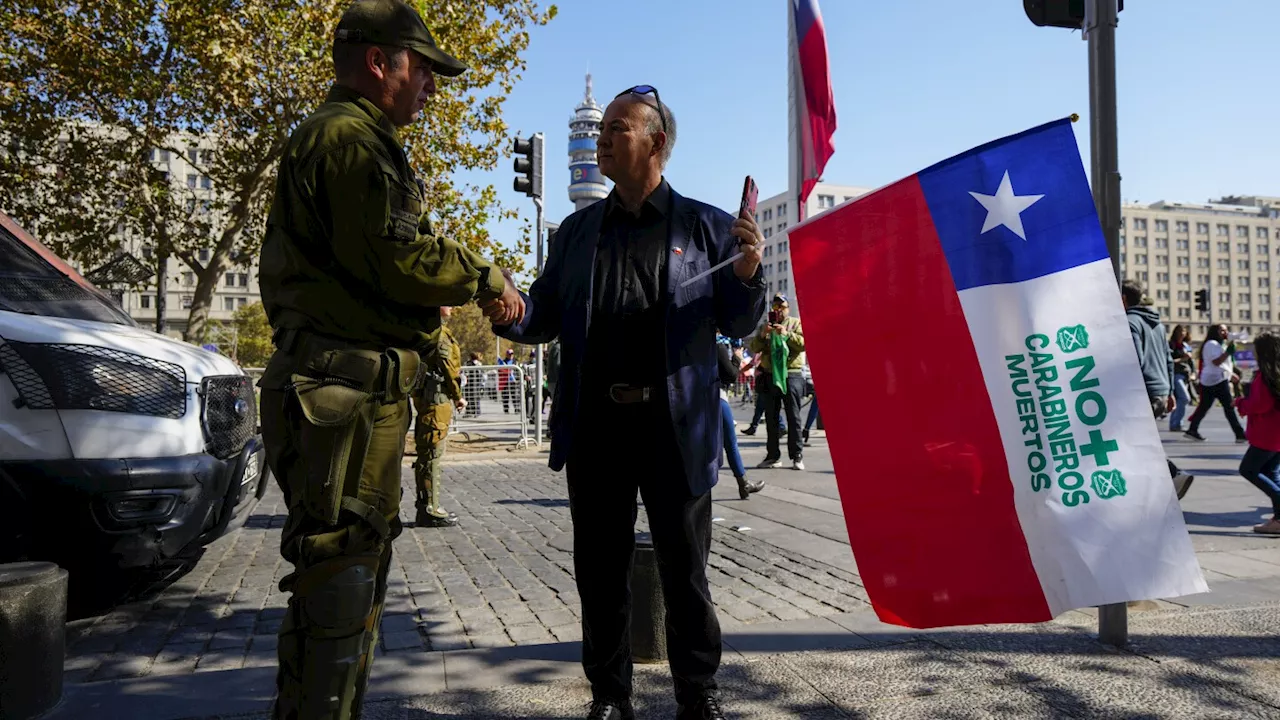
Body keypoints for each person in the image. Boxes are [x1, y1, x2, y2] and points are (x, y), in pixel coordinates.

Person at [255, 1, 524, 716]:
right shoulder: (349, 139)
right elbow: (397, 254)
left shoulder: (347, 136)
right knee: (339, 589)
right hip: (340, 396)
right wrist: (488, 278)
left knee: (345, 584)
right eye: (424, 68)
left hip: (344, 394)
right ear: (380, 62)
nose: (432, 85)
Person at [493, 85, 766, 720]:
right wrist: (510, 310)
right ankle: (610, 696)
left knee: (685, 573)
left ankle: (698, 695)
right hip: (597, 425)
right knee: (600, 572)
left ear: (656, 143)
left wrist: (749, 274)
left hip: (676, 425)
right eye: (601, 129)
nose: (601, 138)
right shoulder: (577, 231)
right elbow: (544, 314)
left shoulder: (707, 228)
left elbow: (738, 320)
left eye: (617, 128)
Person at [1121, 281, 1194, 498]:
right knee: (1138, 440)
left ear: (1123, 298)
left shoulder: (1130, 322)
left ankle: (1172, 474)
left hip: (1144, 391)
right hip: (1160, 390)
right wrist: (1169, 391)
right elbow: (1168, 360)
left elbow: (1135, 361)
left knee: (1132, 440)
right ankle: (1157, 483)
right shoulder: (1157, 324)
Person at [410, 306, 465, 528]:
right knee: (432, 455)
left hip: (430, 399)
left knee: (429, 453)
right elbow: (448, 367)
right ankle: (429, 509)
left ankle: (428, 506)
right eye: (446, 301)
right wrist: (458, 395)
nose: (451, 306)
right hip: (436, 400)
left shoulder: (426, 331)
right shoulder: (439, 334)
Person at [749, 294, 806, 471]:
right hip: (770, 374)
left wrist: (787, 334)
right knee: (771, 417)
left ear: (788, 308)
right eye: (775, 307)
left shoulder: (795, 323)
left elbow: (804, 344)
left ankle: (796, 455)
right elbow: (754, 348)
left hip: (791, 374)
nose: (778, 310)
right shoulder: (765, 326)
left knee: (793, 416)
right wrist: (763, 334)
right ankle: (773, 455)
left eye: (781, 307)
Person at [1234, 332, 1280, 535]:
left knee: (1248, 469)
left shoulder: (1265, 376)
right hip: (1277, 434)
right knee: (1271, 472)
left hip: (1268, 434)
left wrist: (1241, 403)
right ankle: (1278, 519)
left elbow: (1260, 404)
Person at [1184, 323, 1247, 443]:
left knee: (1204, 407)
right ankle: (1239, 434)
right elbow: (1216, 362)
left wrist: (1230, 372)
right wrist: (1228, 352)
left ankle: (1192, 430)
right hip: (1215, 380)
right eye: (1222, 330)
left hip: (1214, 380)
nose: (1226, 333)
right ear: (1215, 332)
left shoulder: (1217, 344)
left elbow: (1223, 363)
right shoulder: (1211, 344)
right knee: (1229, 407)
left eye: (1226, 330)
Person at [718, 337, 763, 499]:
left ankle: (743, 483)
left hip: (695, 400)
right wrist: (737, 357)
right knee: (730, 443)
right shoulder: (717, 346)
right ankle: (743, 484)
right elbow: (731, 375)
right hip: (716, 398)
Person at [1168, 324, 1195, 432]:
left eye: (1184, 331)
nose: (1182, 333)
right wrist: (1182, 359)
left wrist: (1193, 373)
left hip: (1185, 375)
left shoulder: (1185, 345)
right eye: (1180, 331)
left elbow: (1191, 362)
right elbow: (1169, 361)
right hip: (1176, 374)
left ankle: (1175, 423)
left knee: (1179, 399)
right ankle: (1177, 422)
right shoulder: (1171, 345)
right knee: (1184, 398)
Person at [498, 347, 520, 413]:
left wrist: (517, 379)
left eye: (512, 354)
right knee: (505, 395)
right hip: (505, 381)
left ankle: (516, 408)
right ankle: (506, 409)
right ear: (507, 355)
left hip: (513, 381)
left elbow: (518, 371)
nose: (511, 356)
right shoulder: (503, 362)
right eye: (510, 354)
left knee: (515, 395)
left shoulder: (515, 362)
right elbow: (500, 371)